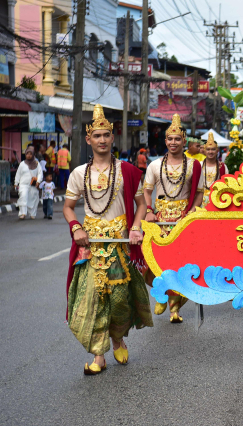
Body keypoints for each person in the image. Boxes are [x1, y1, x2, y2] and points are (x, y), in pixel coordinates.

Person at [63, 104, 153, 375]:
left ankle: (118, 339)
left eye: (106, 135)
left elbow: (141, 205)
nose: (102, 140)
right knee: (93, 298)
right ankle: (98, 354)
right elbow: (68, 207)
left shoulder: (126, 170)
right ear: (88, 140)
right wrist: (76, 228)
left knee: (119, 299)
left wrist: (136, 227)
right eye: (97, 136)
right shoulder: (79, 173)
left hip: (119, 246)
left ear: (113, 138)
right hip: (91, 247)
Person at [144, 114, 204, 322]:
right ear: (165, 141)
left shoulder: (195, 166)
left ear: (184, 141)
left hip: (182, 220)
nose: (173, 142)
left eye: (177, 139)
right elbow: (146, 191)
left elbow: (199, 193)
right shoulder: (155, 165)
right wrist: (149, 211)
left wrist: (192, 211)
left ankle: (174, 308)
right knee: (155, 262)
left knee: (182, 264)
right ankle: (161, 294)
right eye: (170, 139)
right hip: (160, 220)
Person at [14, 146, 44, 219]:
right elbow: (18, 174)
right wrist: (16, 183)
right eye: (27, 154)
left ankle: (32, 214)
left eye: (31, 154)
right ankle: (23, 213)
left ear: (33, 155)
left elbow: (40, 173)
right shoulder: (22, 164)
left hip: (33, 185)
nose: (29, 155)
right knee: (23, 197)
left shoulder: (37, 164)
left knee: (33, 198)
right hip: (23, 184)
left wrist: (38, 181)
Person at [201, 132, 227, 207]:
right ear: (204, 151)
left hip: (216, 200)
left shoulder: (223, 166)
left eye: (213, 149)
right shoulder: (199, 165)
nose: (210, 152)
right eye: (208, 149)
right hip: (200, 199)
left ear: (217, 151)